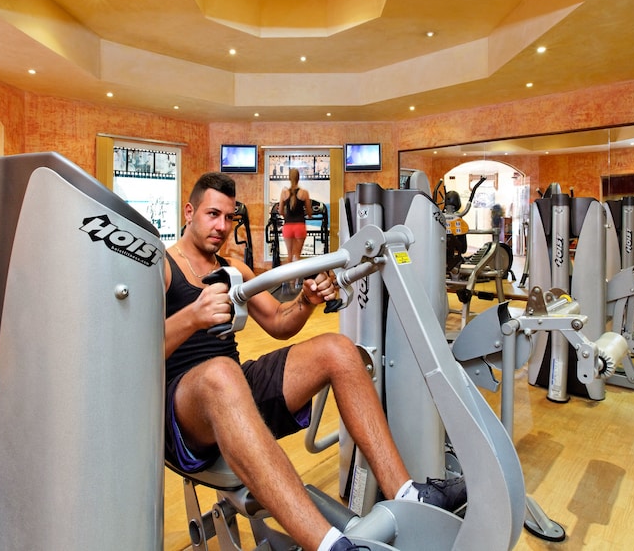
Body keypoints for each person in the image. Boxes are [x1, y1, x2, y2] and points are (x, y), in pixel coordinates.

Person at [165, 172, 466, 551]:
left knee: (338, 349)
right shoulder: (163, 267)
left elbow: (278, 323)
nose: (222, 226)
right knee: (221, 374)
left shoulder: (234, 269)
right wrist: (192, 316)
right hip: (185, 410)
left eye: (228, 218)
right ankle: (330, 546)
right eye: (213, 215)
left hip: (232, 386)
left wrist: (306, 300)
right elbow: (134, 353)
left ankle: (406, 494)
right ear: (189, 212)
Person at [279, 167, 311, 280]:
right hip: (299, 226)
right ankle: (298, 282)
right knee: (297, 256)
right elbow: (309, 212)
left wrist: (286, 217)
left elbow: (280, 211)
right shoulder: (304, 193)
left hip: (288, 226)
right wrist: (308, 214)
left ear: (289, 178)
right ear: (299, 178)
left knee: (289, 256)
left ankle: (289, 282)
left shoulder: (284, 193)